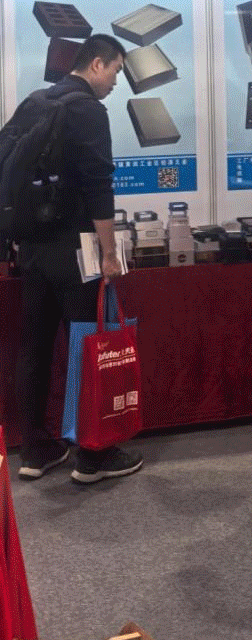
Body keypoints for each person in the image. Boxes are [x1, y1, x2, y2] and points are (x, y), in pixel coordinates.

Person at [10, 34, 144, 485]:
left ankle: (35, 450)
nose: (116, 82)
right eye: (116, 71)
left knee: (34, 348)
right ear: (97, 64)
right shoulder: (88, 110)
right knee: (89, 348)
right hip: (77, 250)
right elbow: (98, 186)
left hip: (33, 249)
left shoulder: (35, 102)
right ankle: (93, 455)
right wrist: (109, 254)